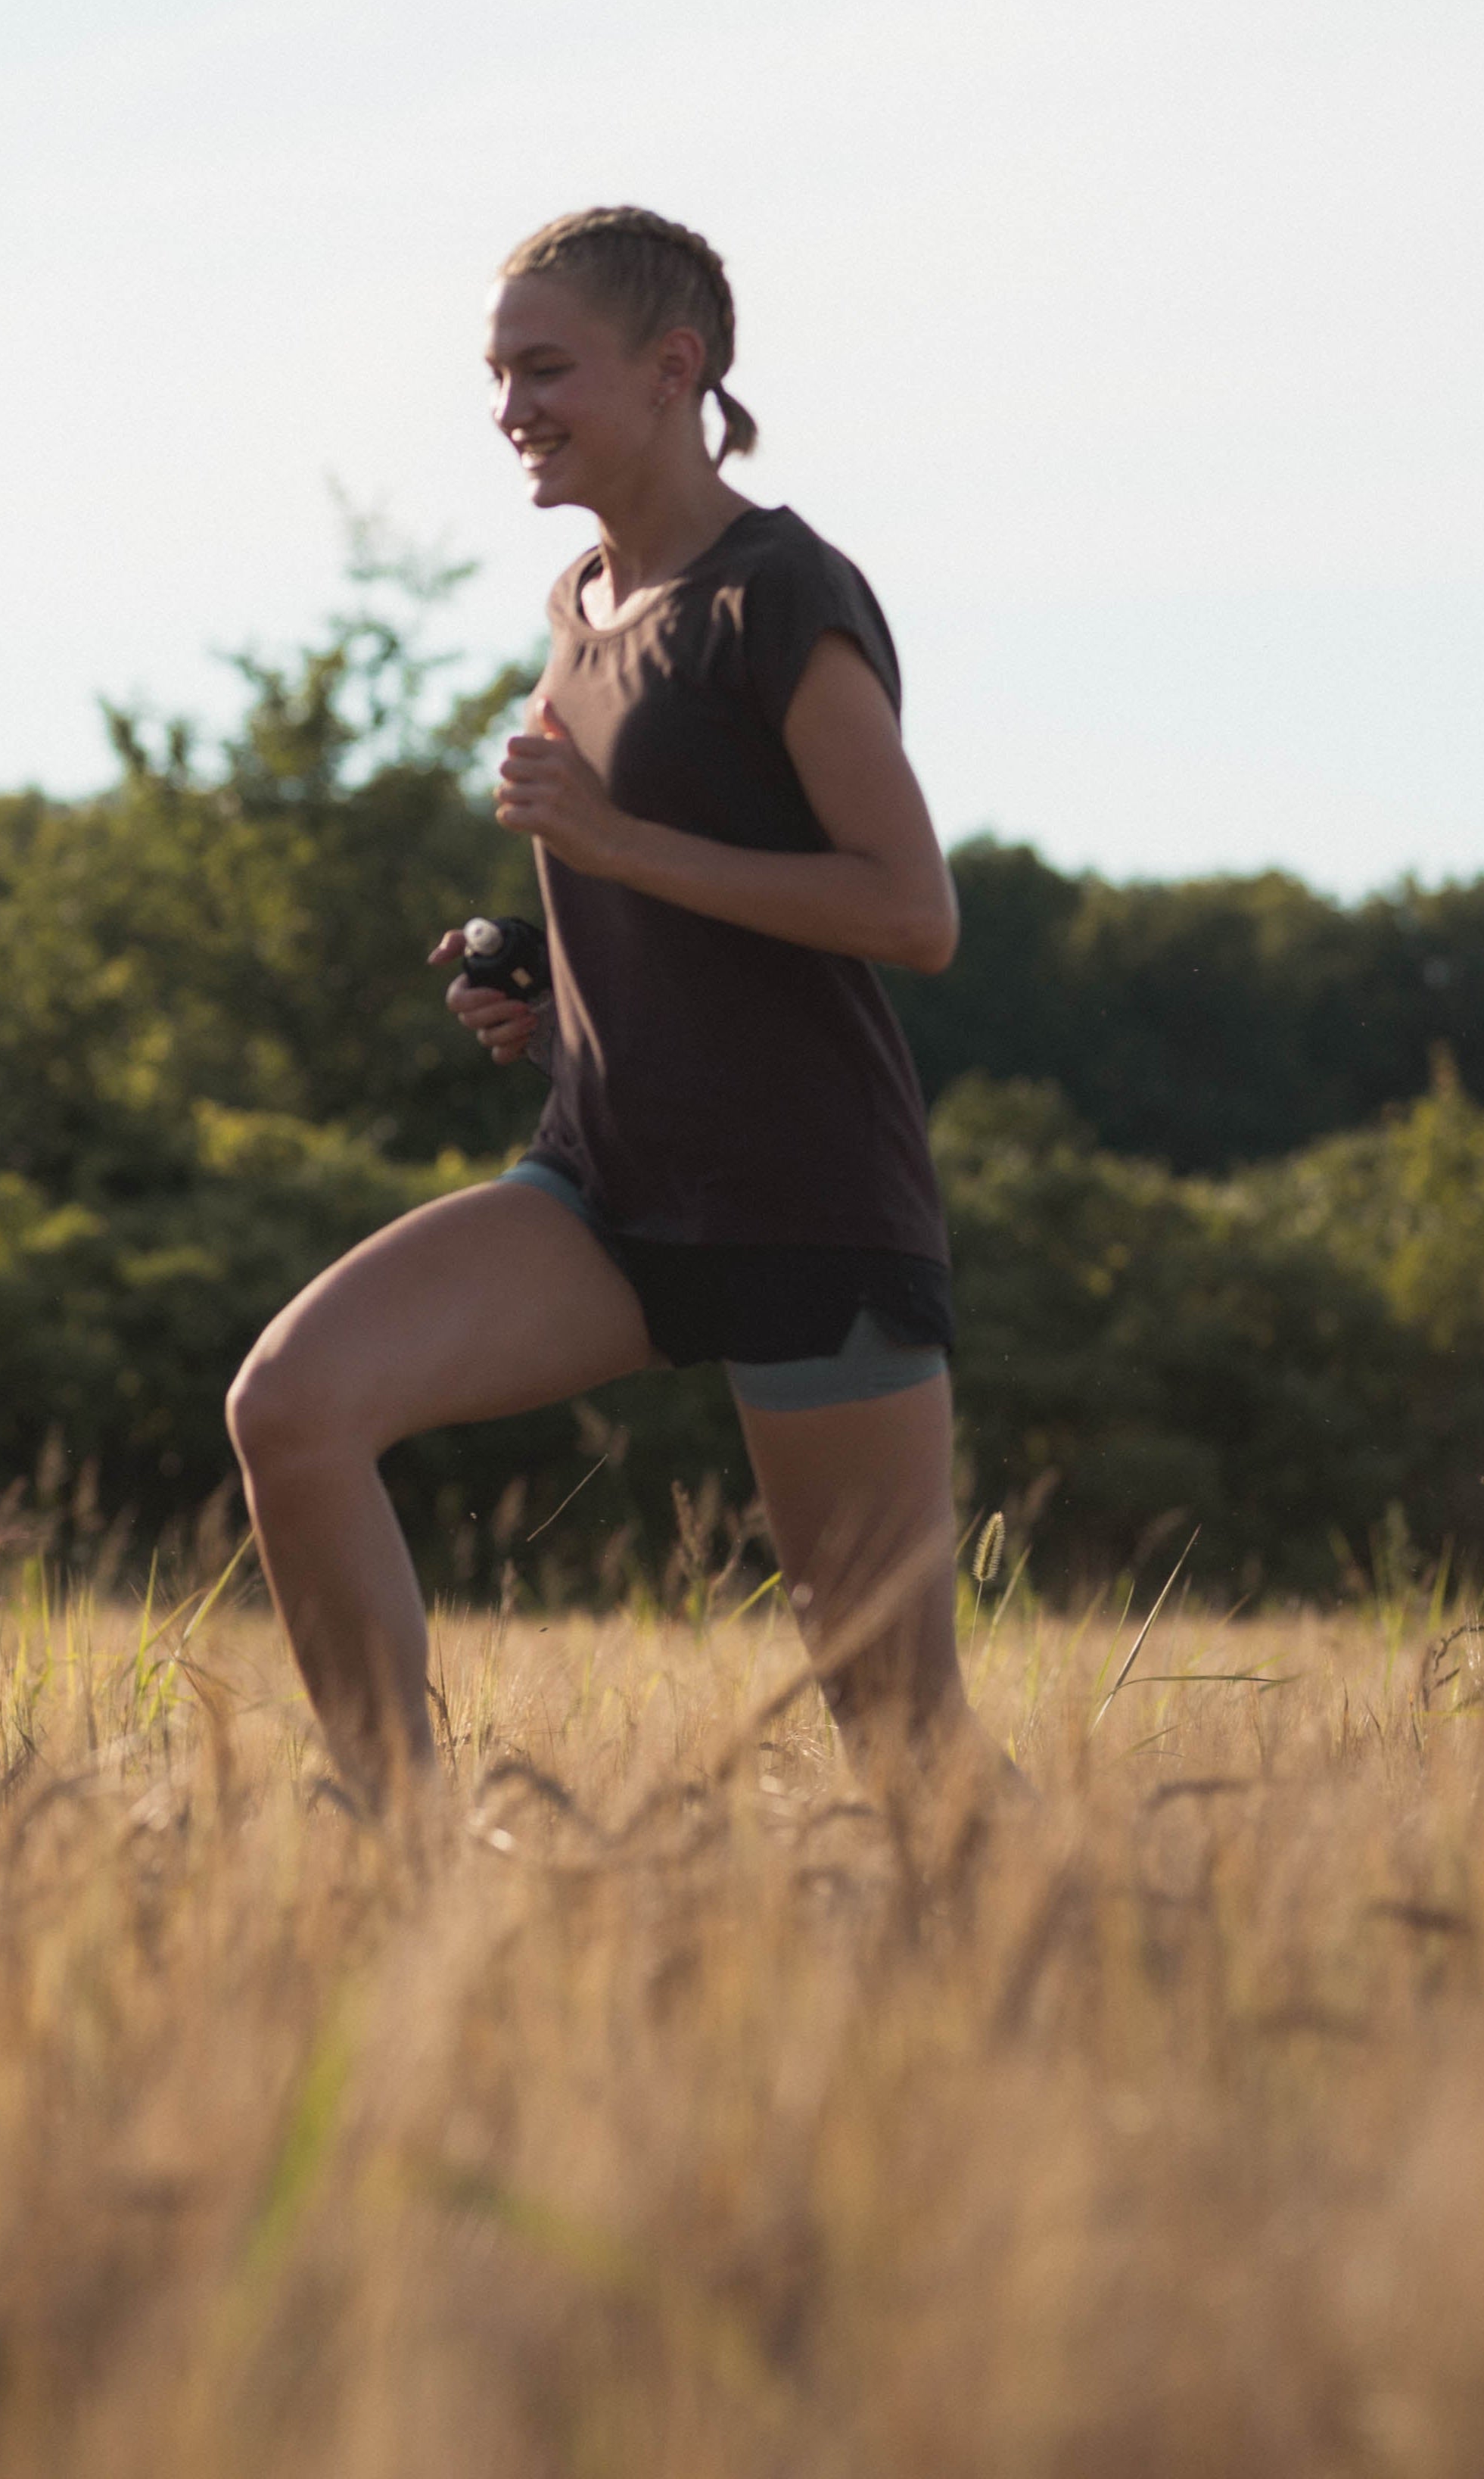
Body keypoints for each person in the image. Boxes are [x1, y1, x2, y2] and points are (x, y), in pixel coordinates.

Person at [229, 207, 988, 1805]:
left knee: (896, 1727)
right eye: (496, 373)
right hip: (602, 1181)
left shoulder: (778, 594)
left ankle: (1123, 1975)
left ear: (672, 367)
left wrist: (614, 845)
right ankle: (398, 1858)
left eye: (543, 367)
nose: (510, 405)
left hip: (799, 1197)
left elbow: (905, 909)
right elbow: (628, 876)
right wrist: (535, 964)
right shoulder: (575, 600)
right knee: (290, 1407)